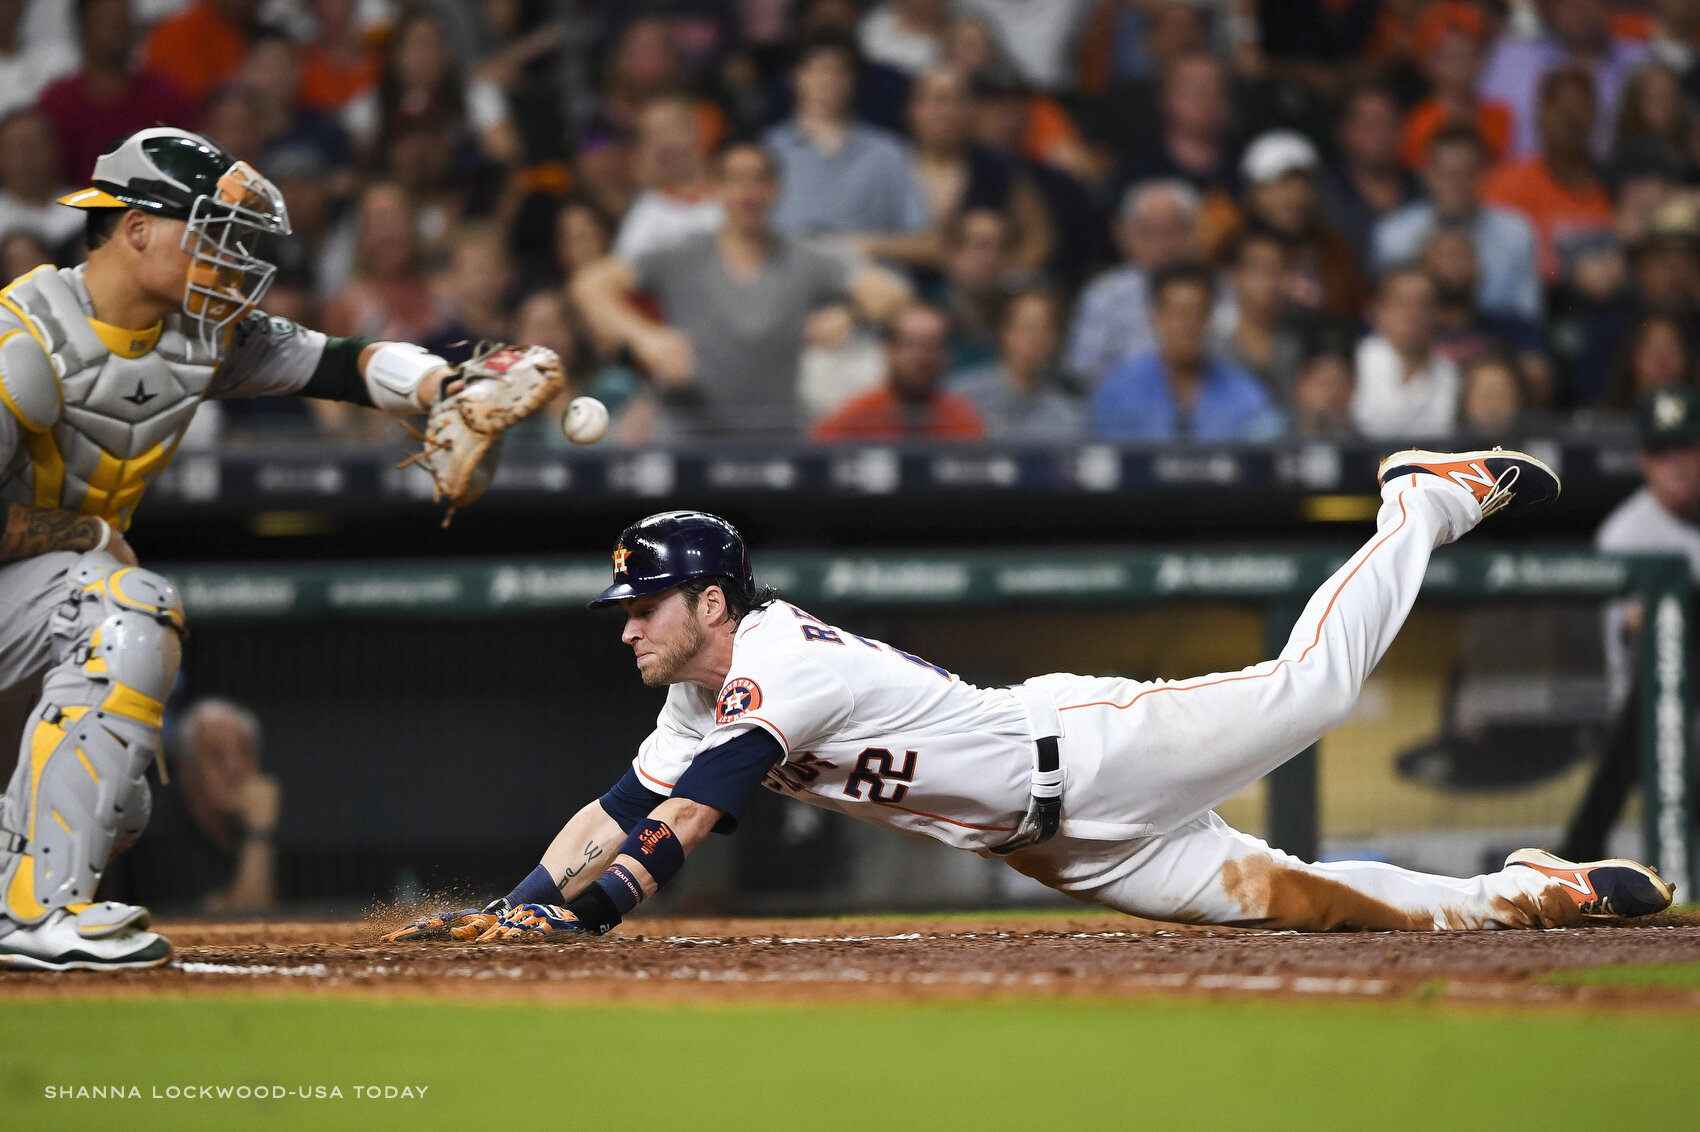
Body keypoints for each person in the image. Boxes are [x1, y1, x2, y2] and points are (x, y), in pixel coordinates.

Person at [389, 475, 1676, 948]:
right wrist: (529, 892)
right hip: (1074, 849)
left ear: (713, 600)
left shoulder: (781, 658)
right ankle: (1533, 893)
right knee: (1332, 906)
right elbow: (614, 808)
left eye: (646, 605)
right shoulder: (692, 692)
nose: (628, 625)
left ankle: (1422, 503)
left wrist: (609, 897)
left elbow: (697, 807)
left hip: (1090, 745)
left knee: (1315, 686)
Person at [0, 126, 554, 969]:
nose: (226, 262)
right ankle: (37, 914)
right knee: (127, 607)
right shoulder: (23, 338)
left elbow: (341, 365)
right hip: (41, 591)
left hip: (35, 615)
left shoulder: (197, 333)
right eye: (205, 234)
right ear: (135, 227)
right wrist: (91, 534)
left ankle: (26, 904)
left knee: (119, 800)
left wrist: (452, 387)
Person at [573, 140, 909, 439]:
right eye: (734, 180)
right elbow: (590, 286)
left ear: (777, 190)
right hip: (688, 435)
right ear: (715, 188)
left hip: (776, 438)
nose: (746, 192)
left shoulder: (806, 256)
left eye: (758, 179)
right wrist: (644, 337)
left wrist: (851, 315)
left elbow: (893, 293)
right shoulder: (681, 254)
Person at [1562, 385, 1700, 860]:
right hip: (1653, 722)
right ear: (1644, 461)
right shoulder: (1626, 533)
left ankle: (1580, 844)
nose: (1676, 463)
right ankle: (1582, 849)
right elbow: (1642, 629)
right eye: (1662, 452)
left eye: (1686, 447)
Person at [104, 699, 279, 914]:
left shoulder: (257, 823)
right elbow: (238, 931)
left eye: (245, 751)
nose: (236, 768)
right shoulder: (155, 835)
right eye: (216, 754)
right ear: (188, 770)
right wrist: (258, 833)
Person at [763, 31, 932, 243]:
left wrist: (859, 247)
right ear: (795, 77)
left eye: (838, 71)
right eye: (816, 70)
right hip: (788, 272)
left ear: (854, 80)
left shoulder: (888, 152)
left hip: (869, 271)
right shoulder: (765, 150)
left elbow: (926, 241)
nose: (826, 81)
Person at [1092, 261, 1282, 443]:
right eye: (1178, 313)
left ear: (1210, 317)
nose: (1188, 325)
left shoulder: (1246, 394)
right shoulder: (1117, 392)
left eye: (1197, 312)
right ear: (1155, 317)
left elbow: (1266, 457)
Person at [1374, 126, 1542, 322]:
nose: (1458, 184)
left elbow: (1529, 312)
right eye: (1449, 174)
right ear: (1427, 174)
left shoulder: (1517, 231)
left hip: (1498, 342)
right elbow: (1386, 316)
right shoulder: (1393, 234)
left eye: (1468, 173)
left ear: (1485, 173)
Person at [35, 0, 199, 185]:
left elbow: (189, 164)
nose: (116, 31)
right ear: (83, 28)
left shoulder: (167, 95)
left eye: (122, 21)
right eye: (105, 22)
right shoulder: (58, 103)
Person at [1481, 67, 1615, 283]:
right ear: (1539, 116)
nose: (1570, 119)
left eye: (1579, 107)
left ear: (1594, 115)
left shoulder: (1615, 184)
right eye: (1560, 108)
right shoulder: (1505, 186)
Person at [1066, 179, 1203, 385]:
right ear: (1129, 235)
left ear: (1191, 232)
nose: (1161, 243)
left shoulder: (1217, 288)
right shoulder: (1103, 293)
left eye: (1171, 229)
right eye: (1149, 231)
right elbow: (1082, 369)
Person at [1237, 130, 1364, 326]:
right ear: (1255, 193)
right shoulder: (1228, 251)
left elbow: (1351, 313)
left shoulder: (1336, 252)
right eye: (1281, 184)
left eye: (1303, 184)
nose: (1294, 198)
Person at [812, 300, 985, 441]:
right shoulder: (854, 418)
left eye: (932, 345)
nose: (922, 358)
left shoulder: (961, 419)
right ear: (889, 350)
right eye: (912, 345)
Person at [949, 289, 1084, 442]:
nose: (1035, 338)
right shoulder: (960, 397)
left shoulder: (1068, 415)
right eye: (1026, 327)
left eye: (1045, 329)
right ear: (1003, 331)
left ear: (1056, 338)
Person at [1351, 266, 1461, 439]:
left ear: (1438, 313)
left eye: (1423, 303)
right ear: (1378, 310)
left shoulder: (1452, 374)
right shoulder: (1350, 363)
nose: (1412, 313)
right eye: (1401, 303)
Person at [613, 95, 724, 262]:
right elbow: (622, 274)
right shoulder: (643, 217)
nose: (665, 143)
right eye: (654, 134)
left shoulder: (737, 196)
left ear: (697, 131)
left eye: (672, 129)